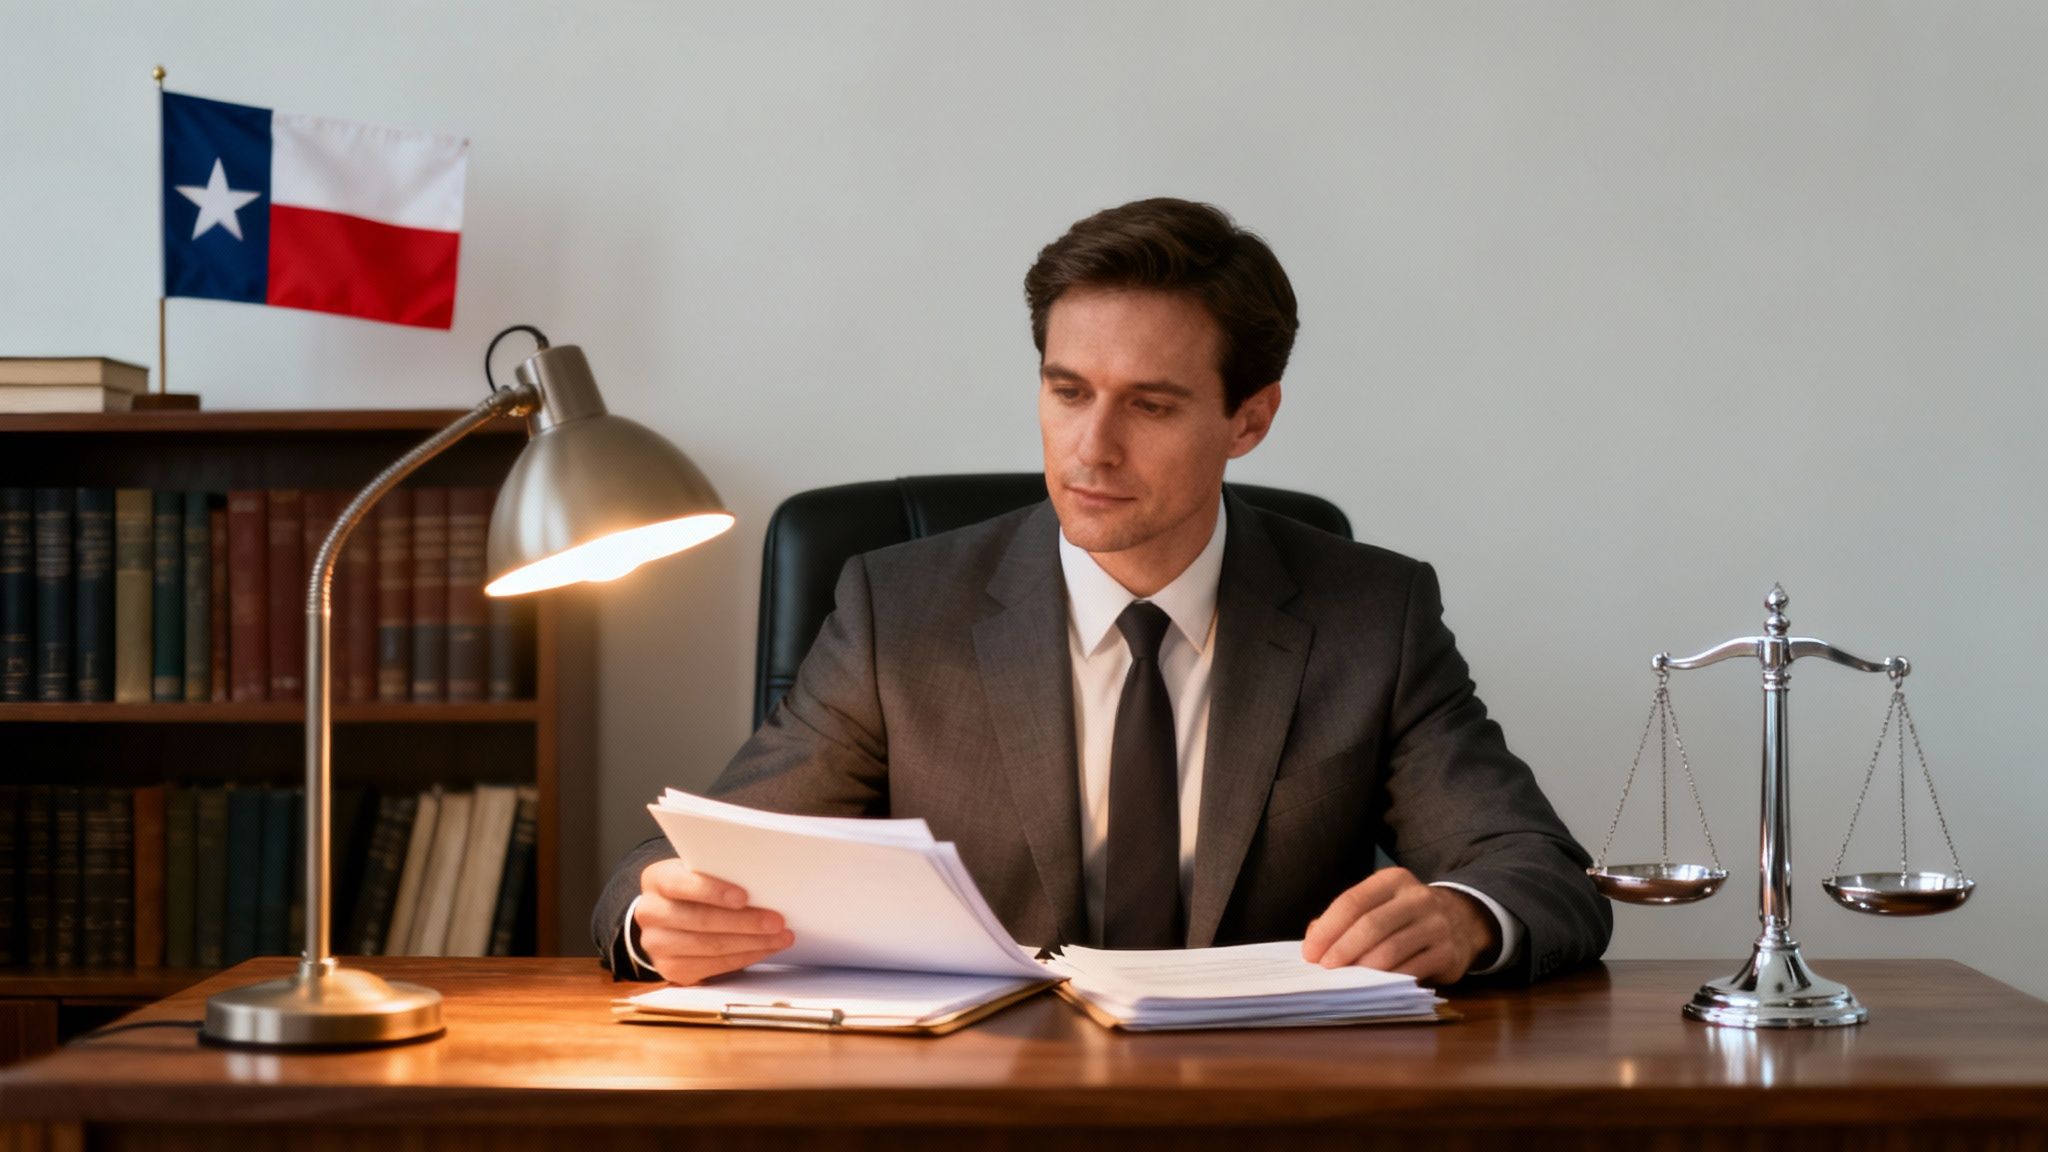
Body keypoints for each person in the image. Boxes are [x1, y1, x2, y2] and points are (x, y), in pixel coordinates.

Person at [592, 197, 1611, 987]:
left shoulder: (1369, 615)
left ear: (1248, 420)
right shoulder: (895, 612)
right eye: (1066, 390)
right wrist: (659, 916)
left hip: (1265, 1105)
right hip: (976, 1110)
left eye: (1151, 406)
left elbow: (1534, 871)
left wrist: (1464, 918)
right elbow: (675, 857)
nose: (1091, 448)